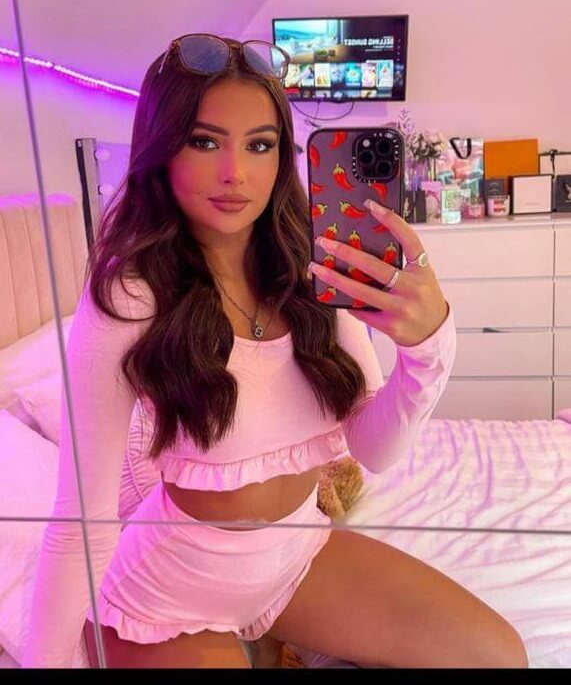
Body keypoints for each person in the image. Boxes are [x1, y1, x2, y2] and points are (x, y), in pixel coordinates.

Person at [22, 34, 527, 669]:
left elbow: (374, 449)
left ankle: (268, 638)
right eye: (205, 141)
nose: (236, 173)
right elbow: (81, 520)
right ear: (162, 149)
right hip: (169, 597)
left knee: (498, 656)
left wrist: (428, 348)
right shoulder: (131, 294)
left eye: (259, 145)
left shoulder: (313, 270)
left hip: (295, 558)